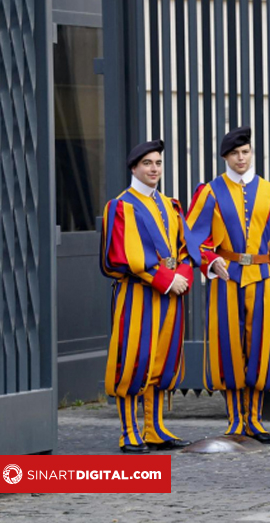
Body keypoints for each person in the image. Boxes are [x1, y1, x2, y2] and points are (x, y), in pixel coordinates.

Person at [185, 126, 270, 444]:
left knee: (261, 349)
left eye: (246, 152)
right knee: (229, 347)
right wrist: (210, 260)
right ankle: (235, 420)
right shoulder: (210, 191)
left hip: (264, 279)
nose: (241, 158)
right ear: (225, 156)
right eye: (236, 153)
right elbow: (193, 236)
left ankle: (255, 419)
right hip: (227, 279)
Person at [99, 140, 197, 453]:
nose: (154, 169)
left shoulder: (171, 205)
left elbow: (185, 247)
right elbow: (122, 256)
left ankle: (153, 428)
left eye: (157, 163)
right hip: (139, 294)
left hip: (171, 294)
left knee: (162, 360)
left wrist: (183, 274)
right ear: (134, 168)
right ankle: (129, 432)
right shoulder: (121, 206)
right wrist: (168, 280)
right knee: (134, 360)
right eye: (147, 164)